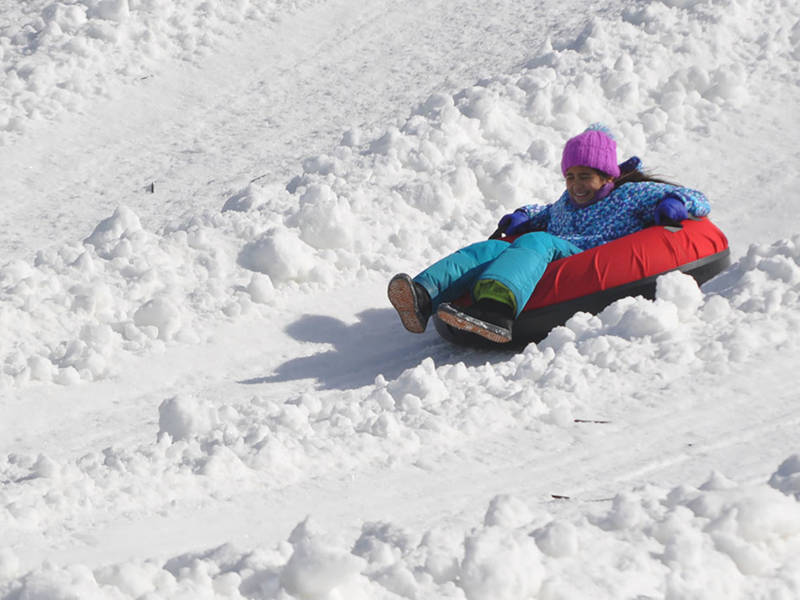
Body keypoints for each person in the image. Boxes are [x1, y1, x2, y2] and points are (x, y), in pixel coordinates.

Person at [387, 124, 711, 343]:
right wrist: (522, 216)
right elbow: (544, 213)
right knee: (492, 250)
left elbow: (699, 198)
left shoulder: (630, 194)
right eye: (569, 177)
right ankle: (424, 295)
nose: (575, 185)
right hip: (554, 255)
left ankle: (496, 312)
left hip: (589, 254)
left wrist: (673, 203)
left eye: (584, 176)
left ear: (606, 176)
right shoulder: (566, 203)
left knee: (536, 241)